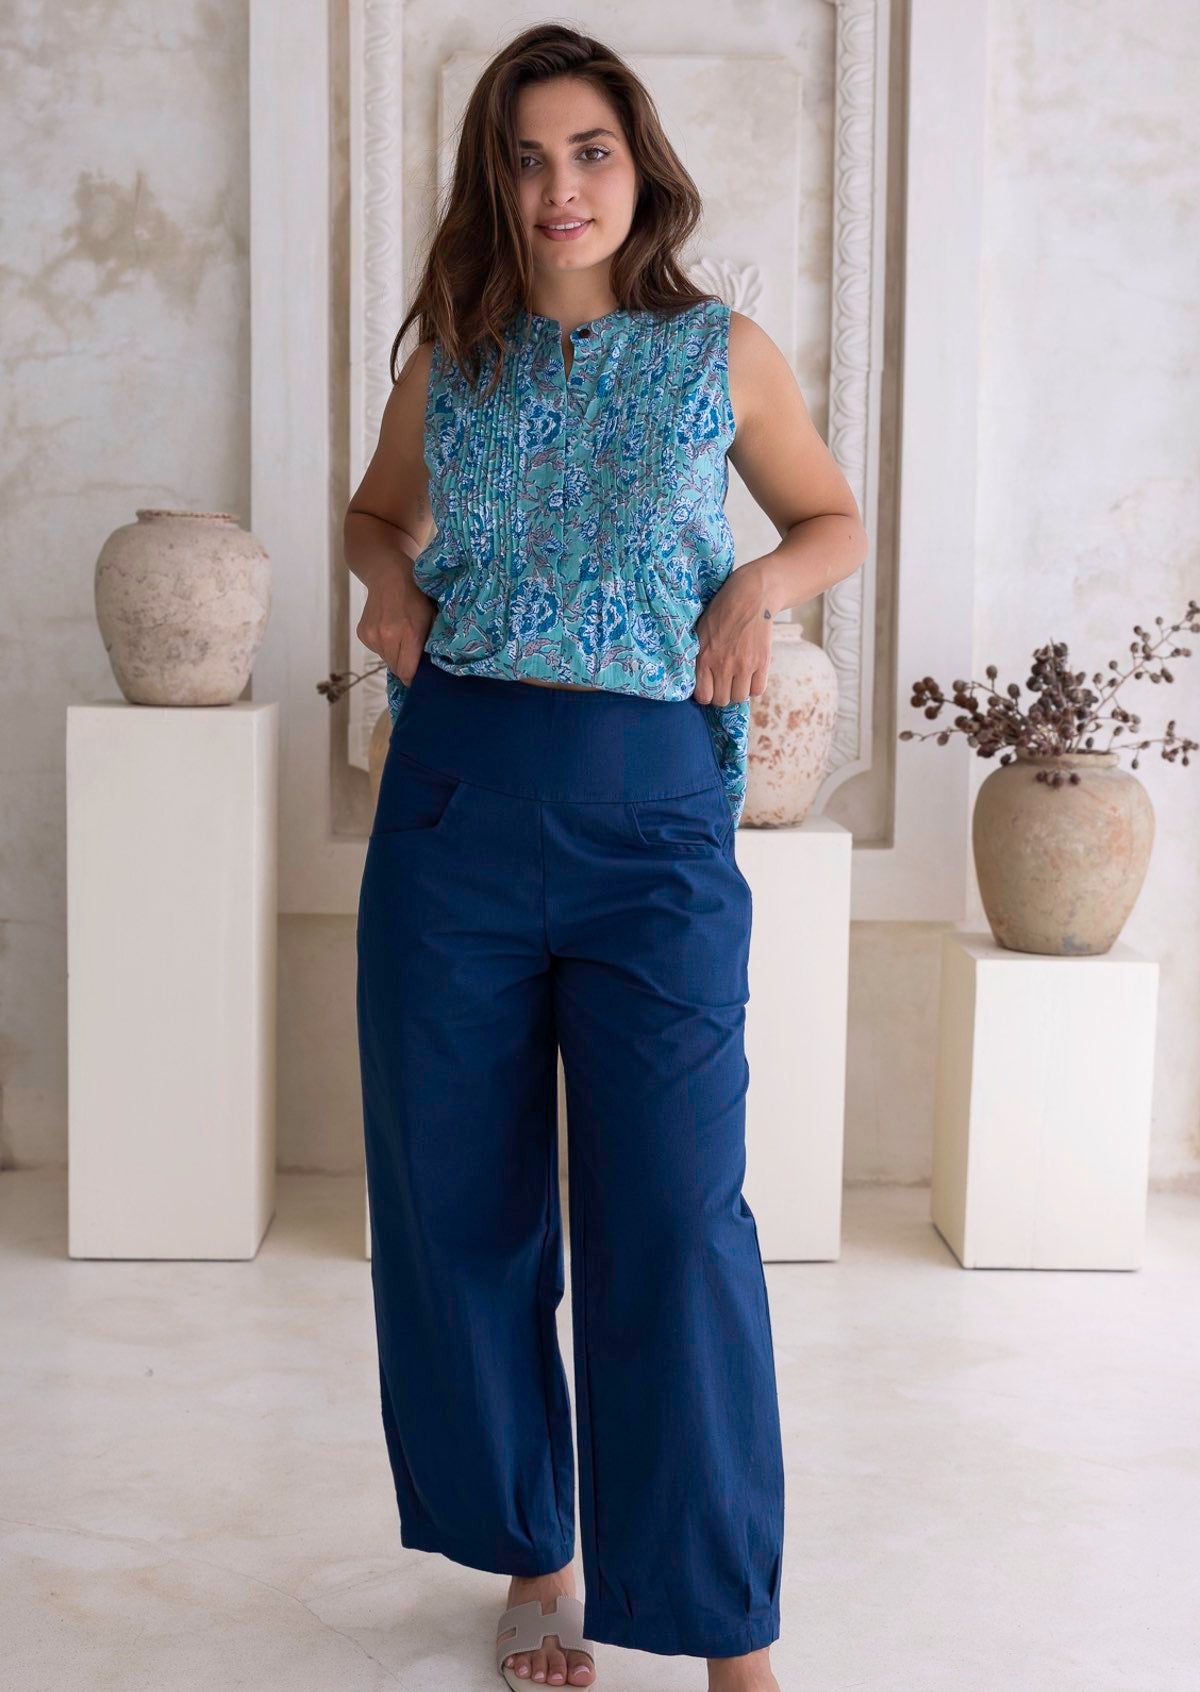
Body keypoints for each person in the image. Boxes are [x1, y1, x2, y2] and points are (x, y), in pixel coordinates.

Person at [346, 23, 867, 1692]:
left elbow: (832, 520)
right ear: (491, 185)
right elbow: (377, 511)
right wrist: (387, 585)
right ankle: (536, 1556)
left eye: (586, 150)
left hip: (652, 820)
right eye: (523, 156)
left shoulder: (723, 354)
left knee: (676, 1220)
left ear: (635, 167)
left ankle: (727, 1632)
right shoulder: (454, 360)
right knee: (461, 1210)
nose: (557, 186)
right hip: (455, 807)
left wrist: (755, 591)